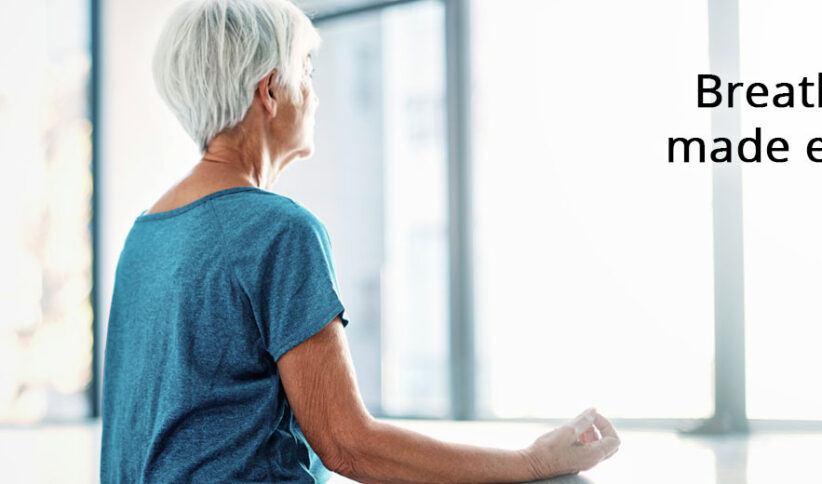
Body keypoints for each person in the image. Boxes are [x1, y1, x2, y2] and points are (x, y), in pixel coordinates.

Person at [99, 0, 620, 482]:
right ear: (270, 90)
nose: (316, 94)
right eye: (307, 71)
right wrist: (534, 460)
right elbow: (349, 445)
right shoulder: (278, 231)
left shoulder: (144, 235)